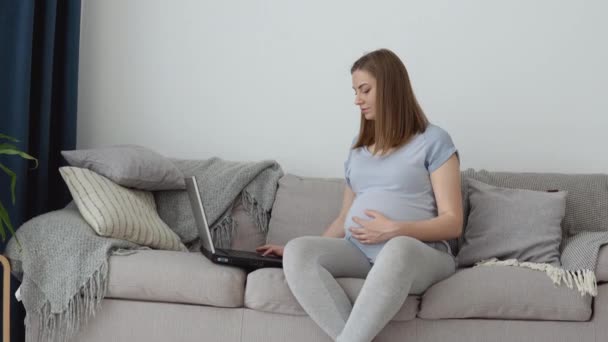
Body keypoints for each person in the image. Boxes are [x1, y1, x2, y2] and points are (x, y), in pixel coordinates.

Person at [256, 48, 463, 342]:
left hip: (420, 255)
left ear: (391, 89)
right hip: (359, 251)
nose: (357, 100)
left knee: (398, 247)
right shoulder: (358, 147)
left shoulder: (433, 140)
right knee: (299, 251)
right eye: (355, 91)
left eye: (364, 90)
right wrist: (302, 247)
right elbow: (344, 216)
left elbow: (453, 222)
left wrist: (394, 229)